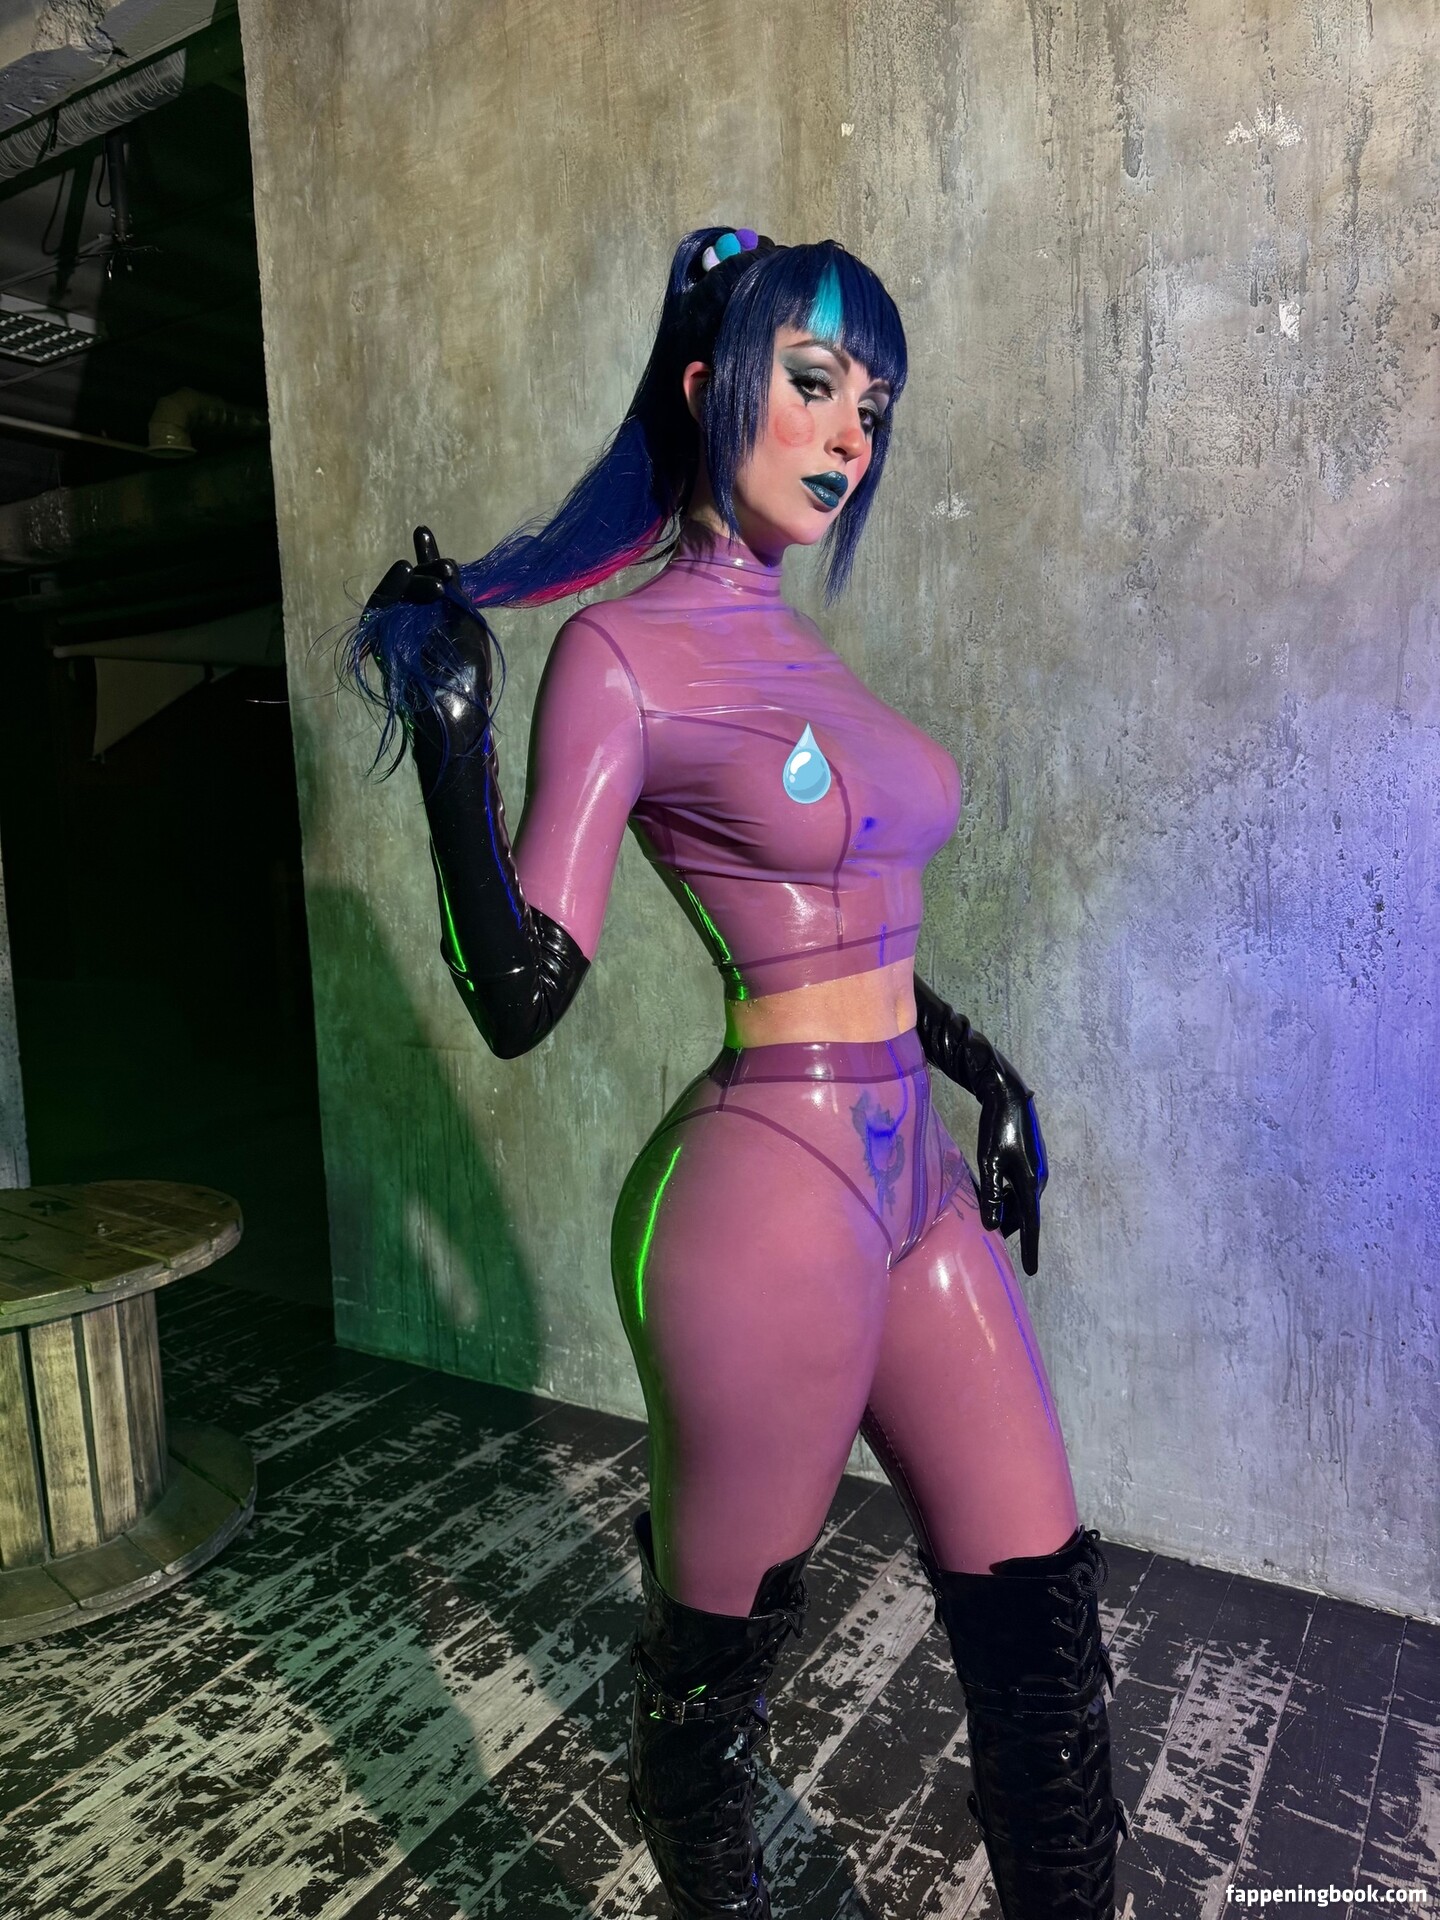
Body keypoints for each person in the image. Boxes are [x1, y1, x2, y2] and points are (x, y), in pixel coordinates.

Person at [347, 226, 1126, 1920]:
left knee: (1046, 1636)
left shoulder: (810, 659)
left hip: (921, 1181)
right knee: (719, 1676)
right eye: (817, 383)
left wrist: (984, 1071)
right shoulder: (622, 659)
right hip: (767, 1205)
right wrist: (457, 739)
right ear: (711, 388)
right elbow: (521, 992)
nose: (850, 435)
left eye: (875, 406)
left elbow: (861, 932)